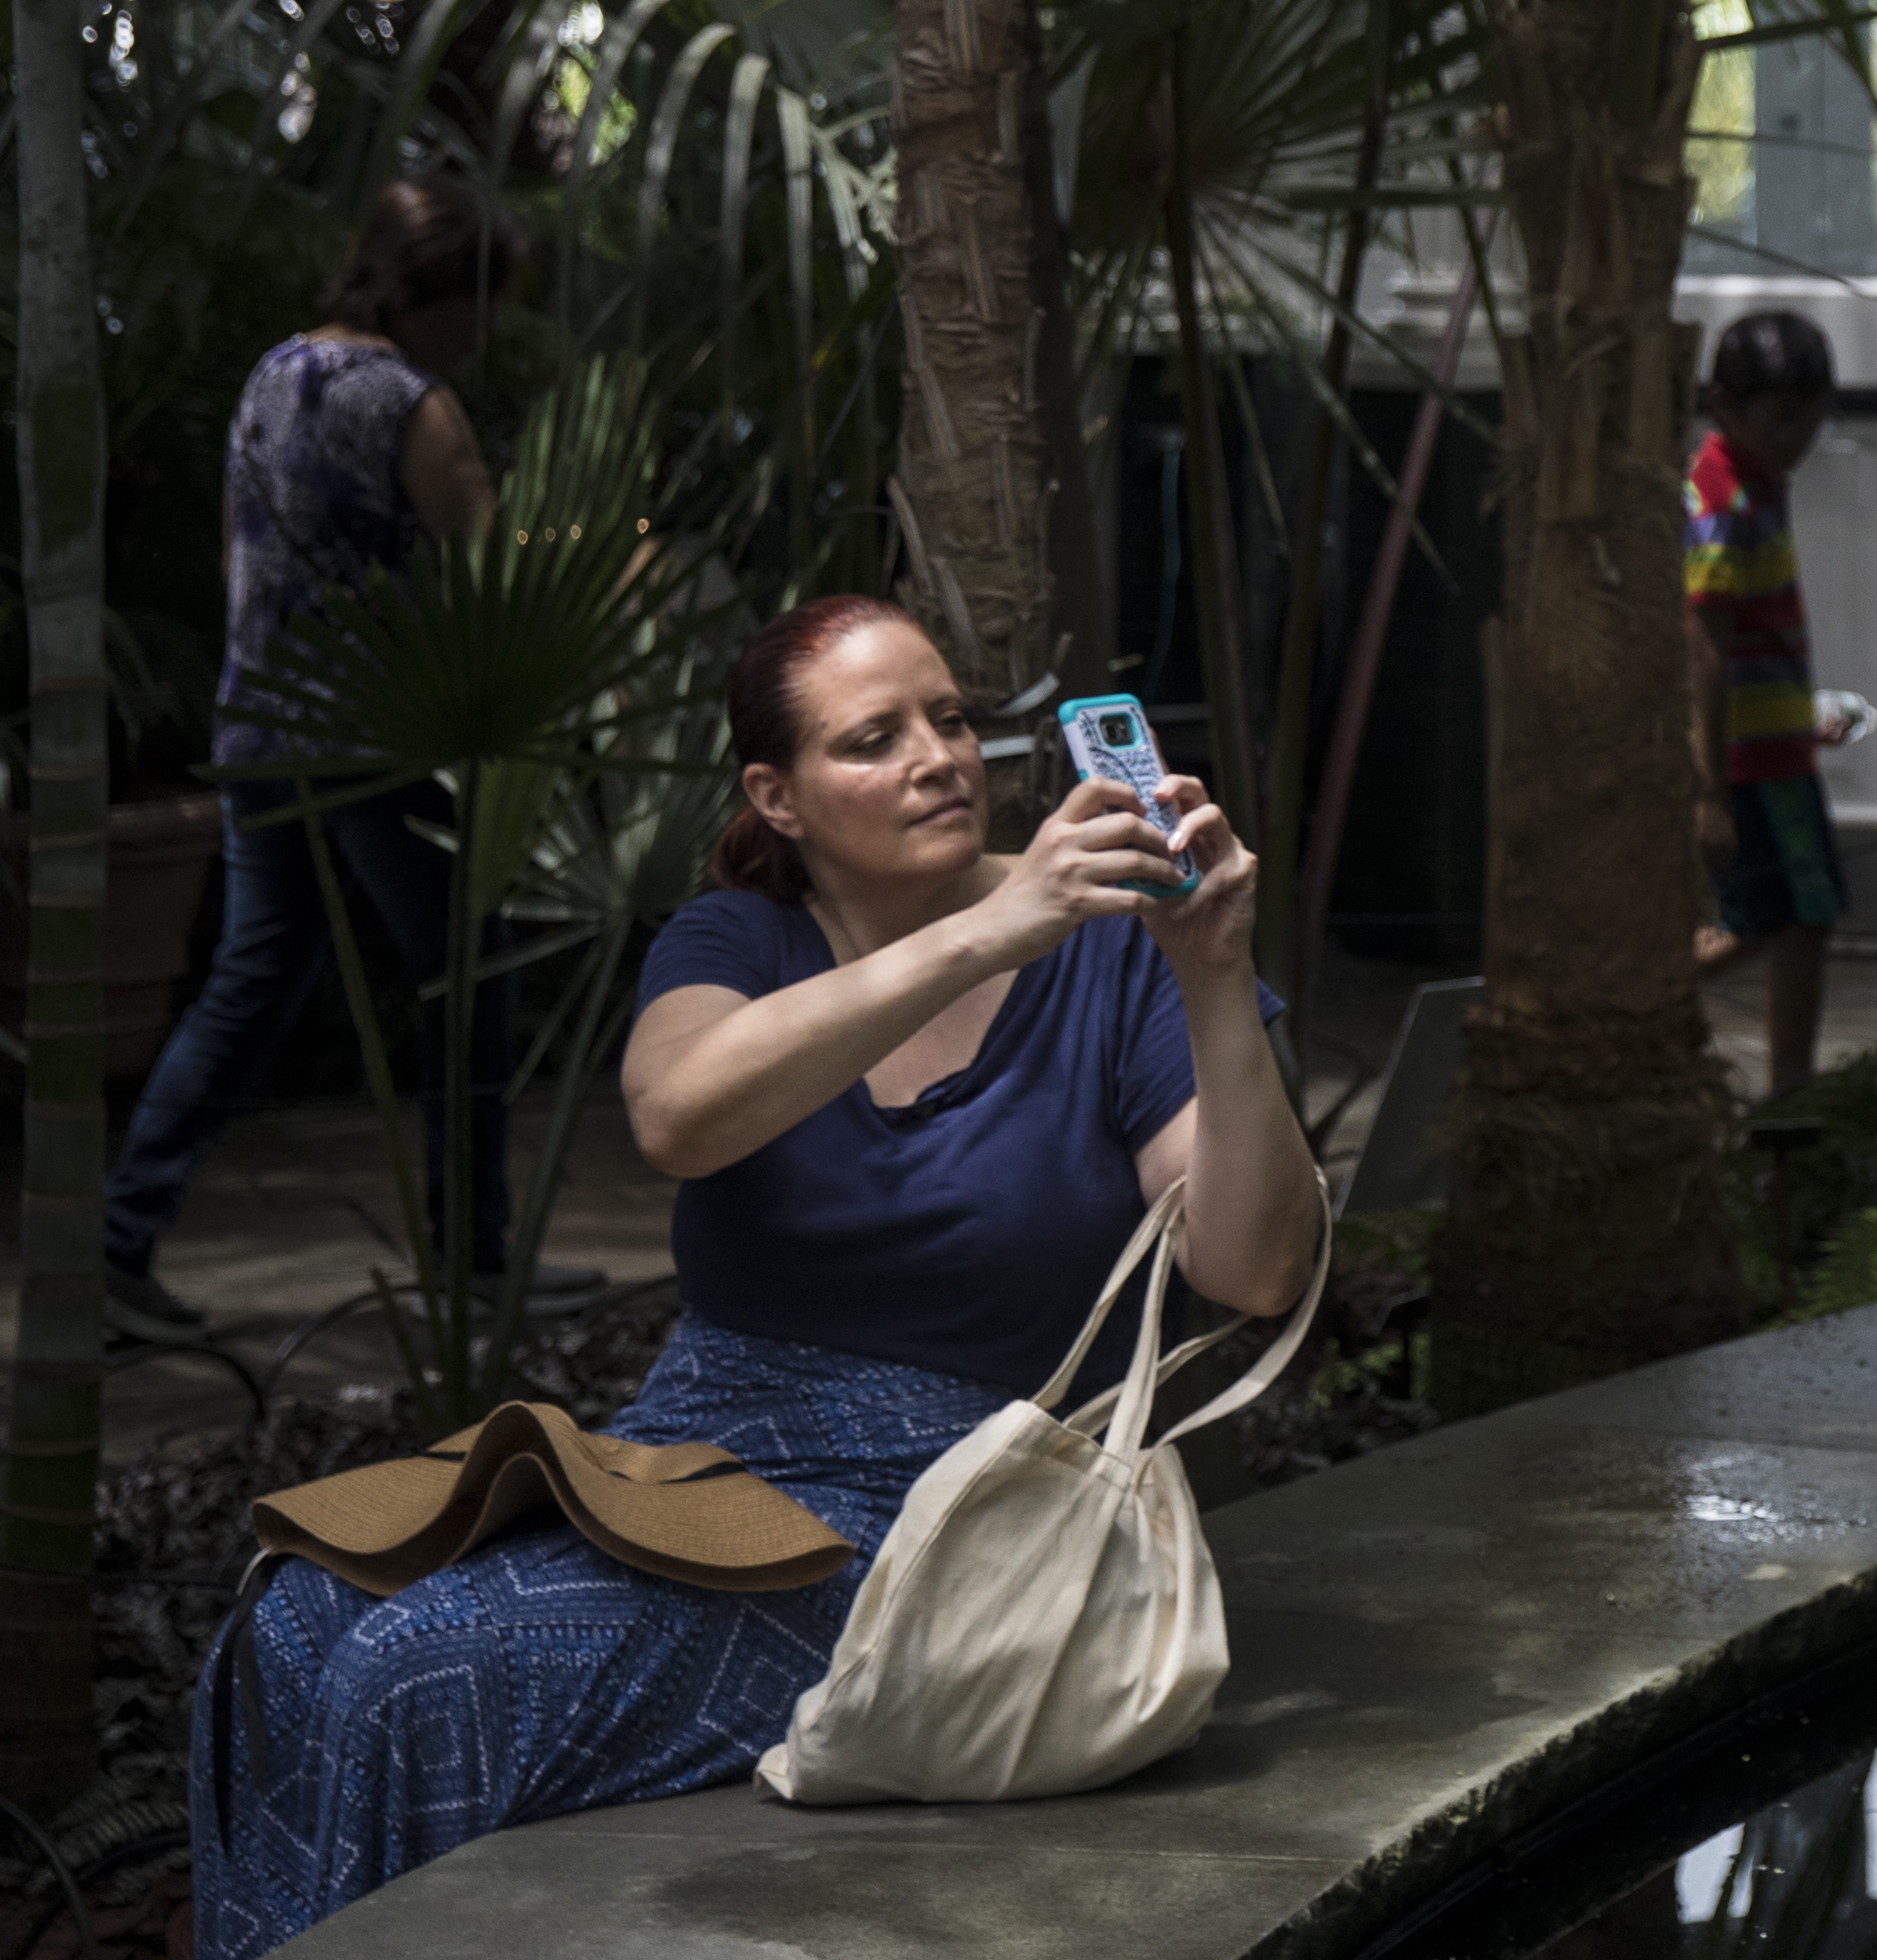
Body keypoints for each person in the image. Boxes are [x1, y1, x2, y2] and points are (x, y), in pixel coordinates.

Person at [191, 594, 1316, 1948]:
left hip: (952, 1508)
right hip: (706, 1450)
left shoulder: (1117, 952)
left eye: (950, 719)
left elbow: (1255, 1267)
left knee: (426, 1672)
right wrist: (993, 926)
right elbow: (680, 1115)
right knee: (296, 1619)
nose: (938, 757)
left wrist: (1213, 973)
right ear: (777, 796)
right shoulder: (739, 939)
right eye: (874, 739)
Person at [105, 182, 596, 1347]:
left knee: (251, 980)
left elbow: (239, 563)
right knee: (468, 974)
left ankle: (114, 1243)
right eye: (479, 302)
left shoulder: (272, 375)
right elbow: (490, 578)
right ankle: (473, 1256)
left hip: (259, 731)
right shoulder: (413, 401)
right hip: (379, 740)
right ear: (430, 289)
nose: (484, 330)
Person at [1687, 305, 1844, 1093]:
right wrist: (1710, 791)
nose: (1799, 440)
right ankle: (1634, 991)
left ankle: (1792, 1091)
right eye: (1783, 420)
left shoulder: (1761, 482)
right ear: (1724, 405)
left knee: (1804, 913)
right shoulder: (1720, 500)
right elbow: (1704, 648)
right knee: (1780, 913)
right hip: (1748, 762)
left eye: (1810, 421)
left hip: (1778, 746)